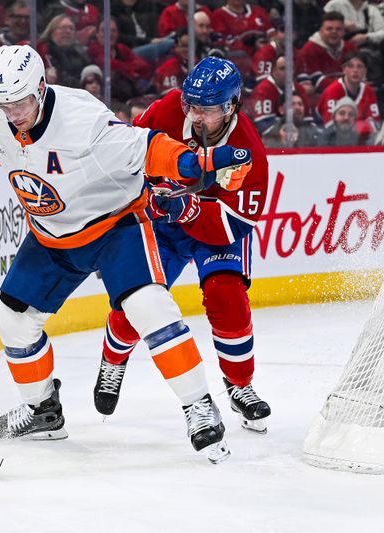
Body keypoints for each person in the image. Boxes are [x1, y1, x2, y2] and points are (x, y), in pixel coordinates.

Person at [0, 44, 254, 463]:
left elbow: (147, 148)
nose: (11, 114)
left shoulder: (81, 120)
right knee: (14, 321)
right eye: (2, 104)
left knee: (147, 305)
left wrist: (192, 164)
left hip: (115, 226)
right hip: (51, 235)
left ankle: (199, 406)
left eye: (20, 102)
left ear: (40, 89)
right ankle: (43, 412)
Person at [92, 56, 272, 434]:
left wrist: (189, 210)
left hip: (214, 231)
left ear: (232, 105)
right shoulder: (168, 109)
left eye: (208, 109)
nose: (195, 115)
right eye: (191, 104)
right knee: (134, 305)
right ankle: (112, 361)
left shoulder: (248, 149)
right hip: (162, 225)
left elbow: (236, 223)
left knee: (228, 297)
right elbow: (127, 154)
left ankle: (240, 385)